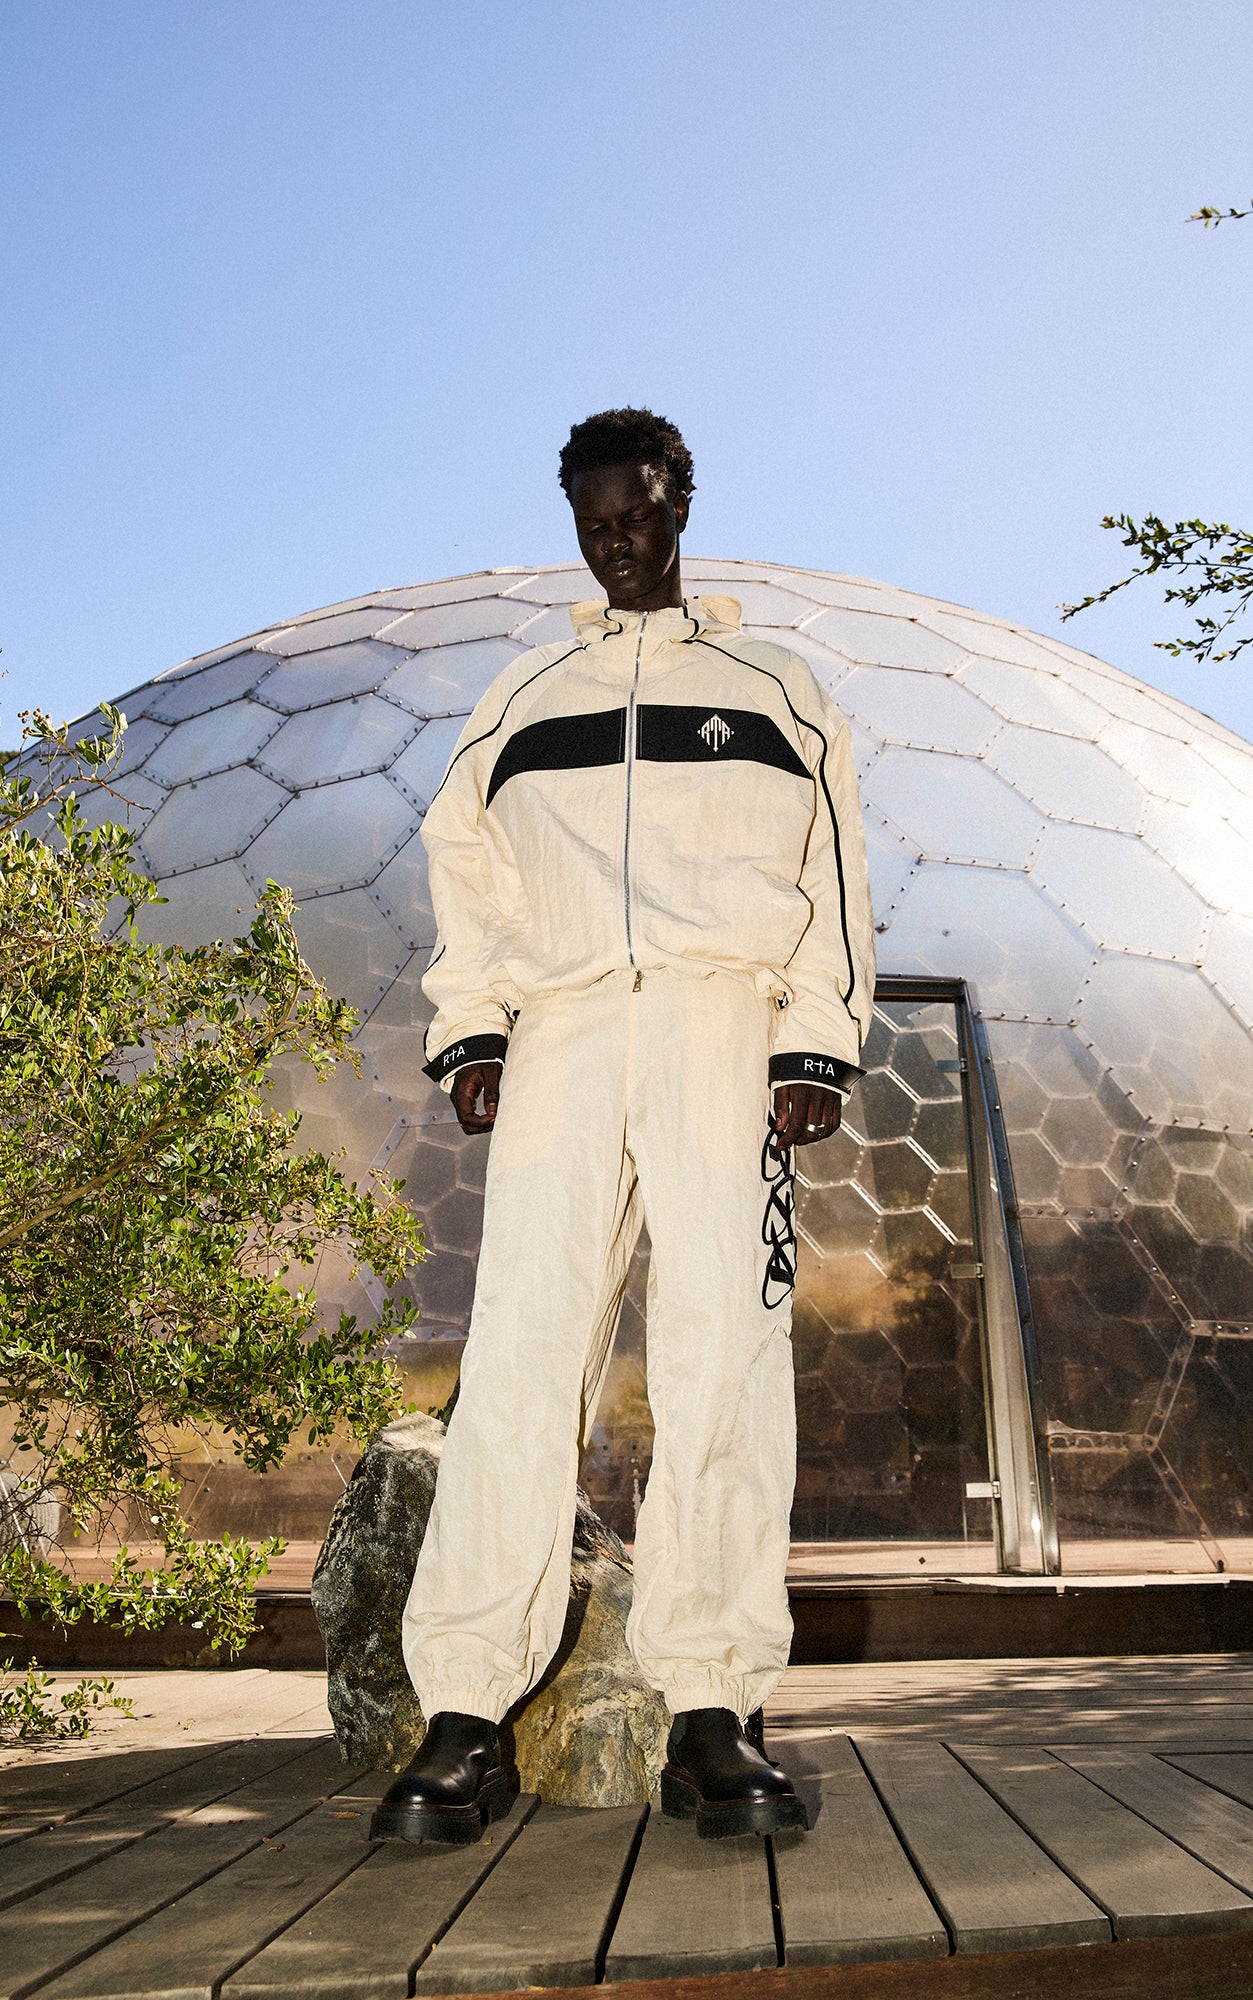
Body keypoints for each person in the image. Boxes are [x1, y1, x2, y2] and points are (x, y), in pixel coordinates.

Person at [371, 407, 875, 1844]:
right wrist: (475, 1023)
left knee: (726, 1361)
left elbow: (835, 876)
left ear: (679, 504)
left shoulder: (776, 689)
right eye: (595, 523)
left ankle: (712, 1711)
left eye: (640, 513)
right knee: (522, 1356)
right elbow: (466, 865)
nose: (619, 541)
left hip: (724, 1030)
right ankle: (466, 1710)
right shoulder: (526, 696)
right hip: (567, 1032)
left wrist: (813, 1038)